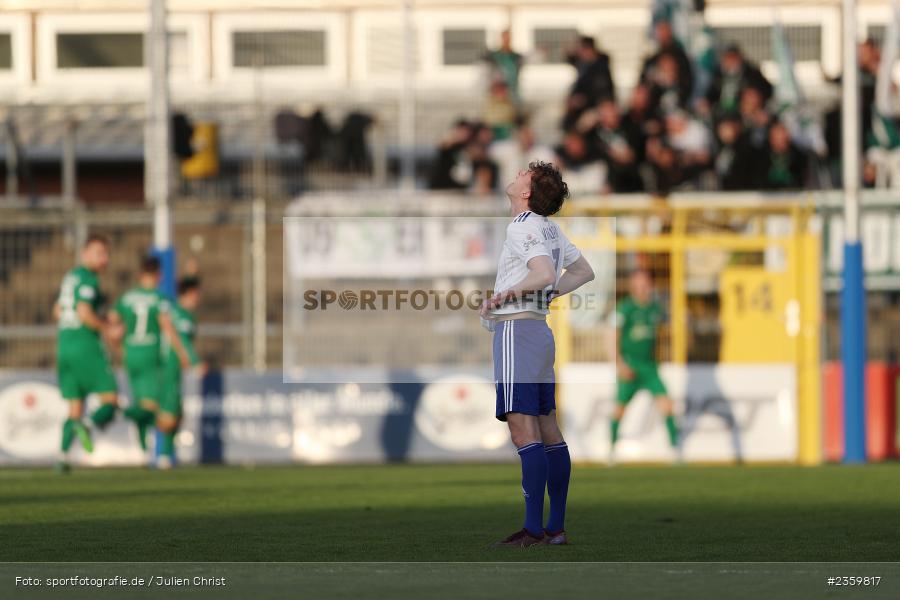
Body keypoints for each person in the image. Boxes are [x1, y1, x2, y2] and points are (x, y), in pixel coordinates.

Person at [479, 161, 595, 547]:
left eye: (522, 175)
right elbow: (583, 271)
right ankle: (555, 529)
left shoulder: (524, 224)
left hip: (517, 331)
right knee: (548, 430)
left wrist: (505, 295)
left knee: (522, 430)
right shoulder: (549, 228)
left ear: (527, 192)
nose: (514, 175)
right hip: (539, 333)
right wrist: (546, 294)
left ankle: (532, 530)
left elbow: (544, 273)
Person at [52, 234, 120, 473]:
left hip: (64, 347)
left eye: (106, 253)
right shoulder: (88, 279)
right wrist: (107, 328)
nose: (105, 258)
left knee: (74, 407)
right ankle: (88, 426)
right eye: (99, 253)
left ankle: (61, 459)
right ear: (84, 254)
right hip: (86, 347)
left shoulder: (70, 277)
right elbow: (84, 313)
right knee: (111, 400)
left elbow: (57, 311)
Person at [109, 256, 190, 453]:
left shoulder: (125, 298)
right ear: (158, 275)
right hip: (150, 356)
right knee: (159, 413)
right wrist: (182, 353)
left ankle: (144, 446)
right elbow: (167, 326)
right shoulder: (159, 298)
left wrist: (119, 348)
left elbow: (111, 324)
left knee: (145, 404)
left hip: (131, 355)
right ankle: (118, 412)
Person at [610, 270, 678, 463]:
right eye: (638, 285)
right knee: (619, 409)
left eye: (645, 284)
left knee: (667, 404)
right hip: (630, 366)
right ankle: (612, 450)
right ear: (632, 286)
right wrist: (619, 364)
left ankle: (675, 450)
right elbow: (612, 336)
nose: (642, 289)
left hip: (649, 367)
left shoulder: (655, 308)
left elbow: (665, 328)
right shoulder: (624, 309)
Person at [157, 277, 204, 469]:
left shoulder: (184, 313)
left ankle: (165, 456)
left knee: (177, 413)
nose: (199, 297)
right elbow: (182, 340)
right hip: (169, 366)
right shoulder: (180, 314)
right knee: (169, 414)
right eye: (197, 292)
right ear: (190, 293)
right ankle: (163, 456)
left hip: (174, 368)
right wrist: (195, 362)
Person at [563, 36, 615, 131]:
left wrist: (583, 100)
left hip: (594, 111)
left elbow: (603, 95)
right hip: (581, 110)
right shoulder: (584, 65)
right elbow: (569, 57)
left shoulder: (601, 69)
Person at [705, 44, 773, 117]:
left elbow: (765, 90)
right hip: (721, 112)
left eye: (732, 58)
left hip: (744, 113)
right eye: (727, 58)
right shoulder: (718, 75)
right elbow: (712, 93)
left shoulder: (752, 73)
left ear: (739, 58)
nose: (729, 62)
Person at [484, 29, 524, 104]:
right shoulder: (495, 56)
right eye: (505, 37)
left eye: (508, 38)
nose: (506, 40)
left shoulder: (515, 56)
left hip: (512, 91)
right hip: (498, 92)